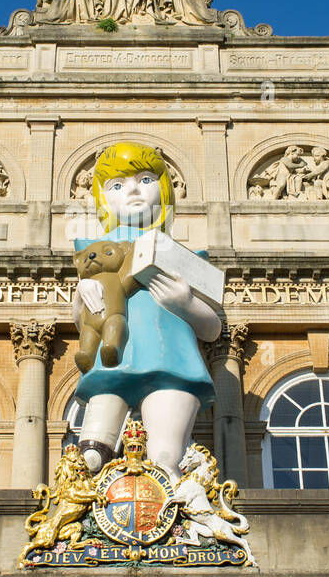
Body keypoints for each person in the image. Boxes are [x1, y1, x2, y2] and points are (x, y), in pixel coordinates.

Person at [72, 142, 221, 481]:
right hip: (112, 360)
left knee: (166, 458)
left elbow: (213, 328)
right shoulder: (93, 253)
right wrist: (82, 293)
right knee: (91, 456)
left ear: (164, 189)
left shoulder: (184, 255)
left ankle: (179, 526)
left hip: (171, 359)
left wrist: (185, 303)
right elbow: (81, 319)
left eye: (146, 179)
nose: (134, 190)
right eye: (117, 185)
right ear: (103, 198)